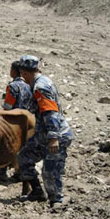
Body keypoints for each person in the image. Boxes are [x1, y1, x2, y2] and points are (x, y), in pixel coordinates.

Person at [17, 55, 73, 207]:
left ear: (24, 73)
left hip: (56, 135)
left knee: (50, 171)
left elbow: (51, 112)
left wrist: (53, 137)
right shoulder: (42, 81)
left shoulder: (40, 86)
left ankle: (56, 200)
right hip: (43, 134)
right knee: (24, 157)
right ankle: (37, 192)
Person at [0, 60, 35, 181]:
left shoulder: (13, 86)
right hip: (27, 121)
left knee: (7, 146)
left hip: (13, 121)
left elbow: (7, 106)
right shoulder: (29, 85)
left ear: (14, 71)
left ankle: (2, 171)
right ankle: (19, 172)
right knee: (22, 147)